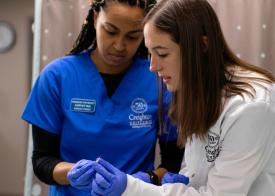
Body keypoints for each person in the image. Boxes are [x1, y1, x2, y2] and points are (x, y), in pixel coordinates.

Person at [83, 0, 275, 195]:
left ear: (201, 46)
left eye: (162, 53)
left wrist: (132, 188)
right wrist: (172, 181)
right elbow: (193, 172)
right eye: (150, 53)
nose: (152, 66)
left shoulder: (252, 107)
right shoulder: (195, 89)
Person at [21, 0, 185, 195]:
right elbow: (42, 160)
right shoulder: (56, 78)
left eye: (133, 36)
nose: (119, 46)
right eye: (111, 31)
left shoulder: (160, 80)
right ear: (95, 18)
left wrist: (143, 180)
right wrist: (72, 172)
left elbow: (172, 161)